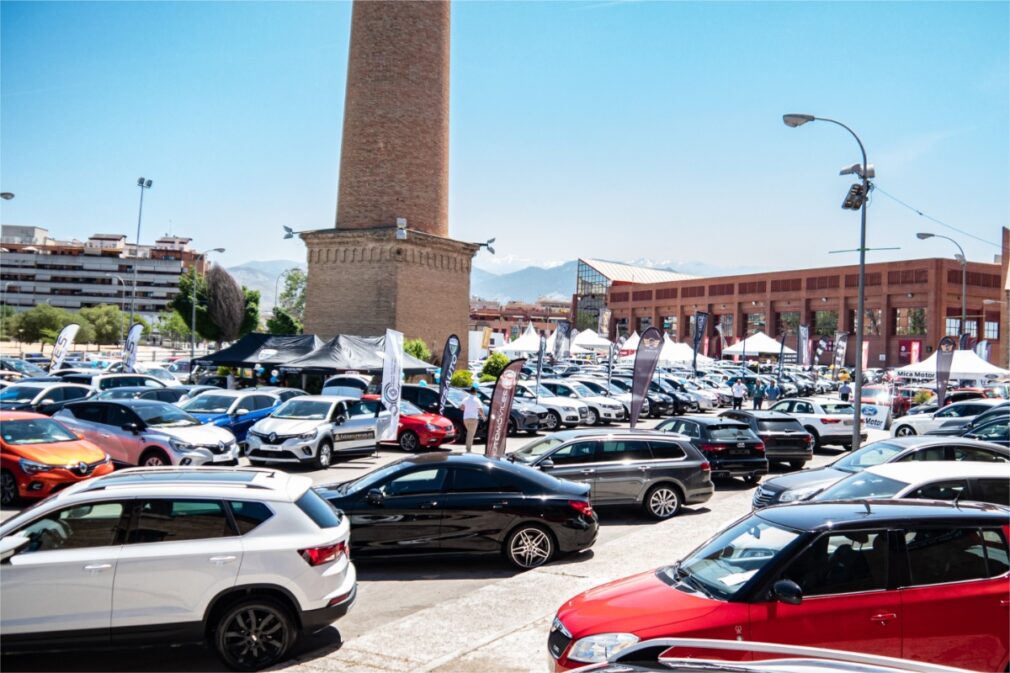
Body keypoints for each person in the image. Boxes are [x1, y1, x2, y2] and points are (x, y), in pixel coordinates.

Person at [459, 384, 486, 453]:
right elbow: (480, 409)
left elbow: (461, 407)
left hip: (465, 419)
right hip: (473, 419)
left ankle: (468, 448)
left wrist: (467, 408)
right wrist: (483, 417)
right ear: (475, 392)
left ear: (470, 392)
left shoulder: (465, 399)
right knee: (470, 434)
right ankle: (468, 449)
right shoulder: (477, 400)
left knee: (469, 433)